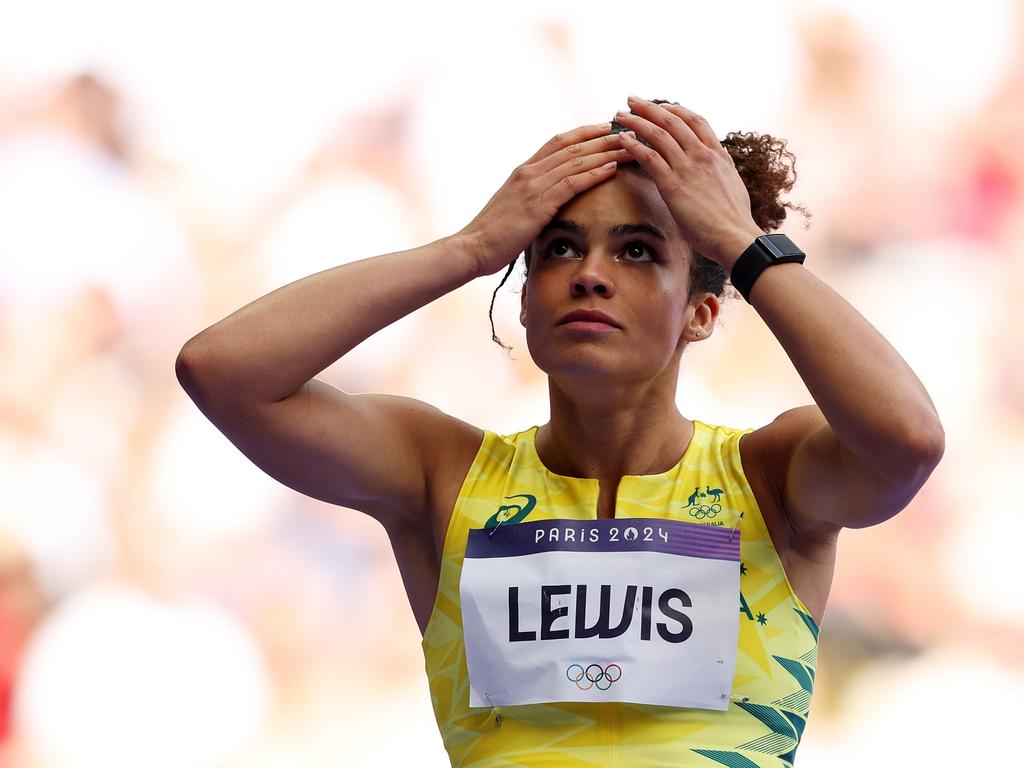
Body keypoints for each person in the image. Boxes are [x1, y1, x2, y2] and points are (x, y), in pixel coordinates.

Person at [175, 96, 945, 767]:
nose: (590, 273)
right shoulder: (440, 474)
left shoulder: (772, 478)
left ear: (702, 311)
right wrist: (470, 248)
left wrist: (745, 248)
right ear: (524, 298)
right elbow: (221, 371)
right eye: (559, 248)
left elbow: (908, 439)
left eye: (638, 251)